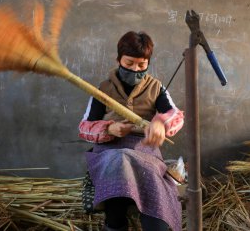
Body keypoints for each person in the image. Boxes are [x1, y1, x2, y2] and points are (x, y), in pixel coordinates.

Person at [78, 31, 184, 231]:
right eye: (129, 64)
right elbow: (84, 127)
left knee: (153, 185)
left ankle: (156, 223)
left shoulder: (156, 88)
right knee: (119, 163)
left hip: (145, 153)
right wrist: (110, 128)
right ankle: (115, 224)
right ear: (118, 59)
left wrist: (161, 124)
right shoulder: (102, 89)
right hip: (109, 154)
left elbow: (175, 114)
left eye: (141, 65)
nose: (135, 69)